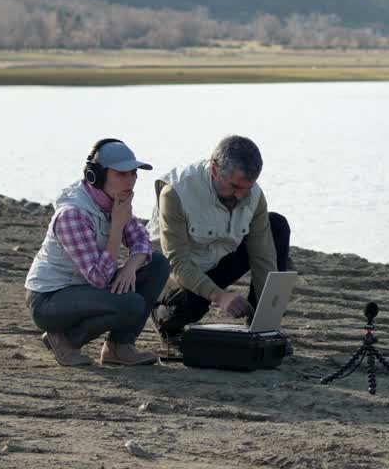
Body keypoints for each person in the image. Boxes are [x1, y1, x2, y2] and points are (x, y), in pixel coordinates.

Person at [23, 139, 171, 367]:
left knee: (158, 264)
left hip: (86, 286)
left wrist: (131, 267)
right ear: (96, 176)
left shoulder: (114, 199)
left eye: (133, 173)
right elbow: (99, 277)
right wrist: (116, 229)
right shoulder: (72, 214)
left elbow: (141, 241)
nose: (130, 181)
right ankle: (65, 341)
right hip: (50, 299)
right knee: (131, 304)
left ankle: (119, 348)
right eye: (121, 174)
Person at [147, 135, 292, 348]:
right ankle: (164, 322)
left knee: (277, 225)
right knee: (191, 304)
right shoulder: (176, 192)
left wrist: (268, 320)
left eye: (247, 187)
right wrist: (220, 296)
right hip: (171, 274)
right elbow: (177, 263)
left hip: (217, 262)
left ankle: (259, 327)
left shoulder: (253, 195)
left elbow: (264, 257)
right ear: (215, 170)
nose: (241, 195)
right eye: (234, 187)